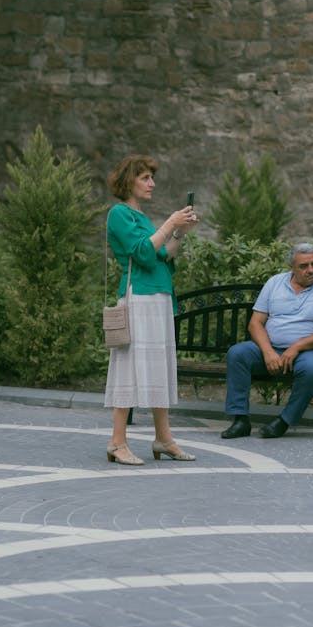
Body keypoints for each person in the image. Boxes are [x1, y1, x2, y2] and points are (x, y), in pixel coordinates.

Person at [105, 154, 200, 465]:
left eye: (151, 178)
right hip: (138, 300)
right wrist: (170, 221)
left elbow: (162, 256)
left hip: (157, 299)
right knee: (129, 367)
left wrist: (179, 232)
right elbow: (143, 254)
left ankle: (163, 438)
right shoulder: (119, 214)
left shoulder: (143, 219)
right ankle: (117, 442)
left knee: (158, 366)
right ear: (128, 181)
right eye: (145, 178)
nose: (152, 184)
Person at [221, 243, 313, 439]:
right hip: (271, 349)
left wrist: (296, 347)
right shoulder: (275, 283)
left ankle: (284, 421)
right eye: (304, 266)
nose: (311, 270)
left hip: (307, 352)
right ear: (292, 268)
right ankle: (240, 420)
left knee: (312, 369)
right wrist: (268, 351)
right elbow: (255, 324)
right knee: (237, 354)